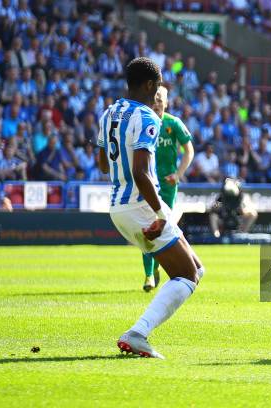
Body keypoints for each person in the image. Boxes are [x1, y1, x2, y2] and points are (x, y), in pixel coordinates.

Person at [97, 57, 205, 359]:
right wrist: (160, 214)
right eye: (157, 87)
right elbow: (141, 173)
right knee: (187, 276)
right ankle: (138, 334)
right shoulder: (147, 117)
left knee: (196, 267)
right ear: (149, 85)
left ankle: (138, 333)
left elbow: (103, 164)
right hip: (142, 206)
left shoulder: (108, 113)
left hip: (118, 206)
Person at [142, 85, 195, 292]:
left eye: (160, 98)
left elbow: (189, 151)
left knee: (161, 228)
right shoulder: (145, 122)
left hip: (167, 185)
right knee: (147, 227)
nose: (156, 102)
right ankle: (148, 274)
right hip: (147, 183)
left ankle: (155, 268)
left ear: (167, 102)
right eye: (154, 98)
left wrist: (178, 174)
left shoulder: (174, 124)